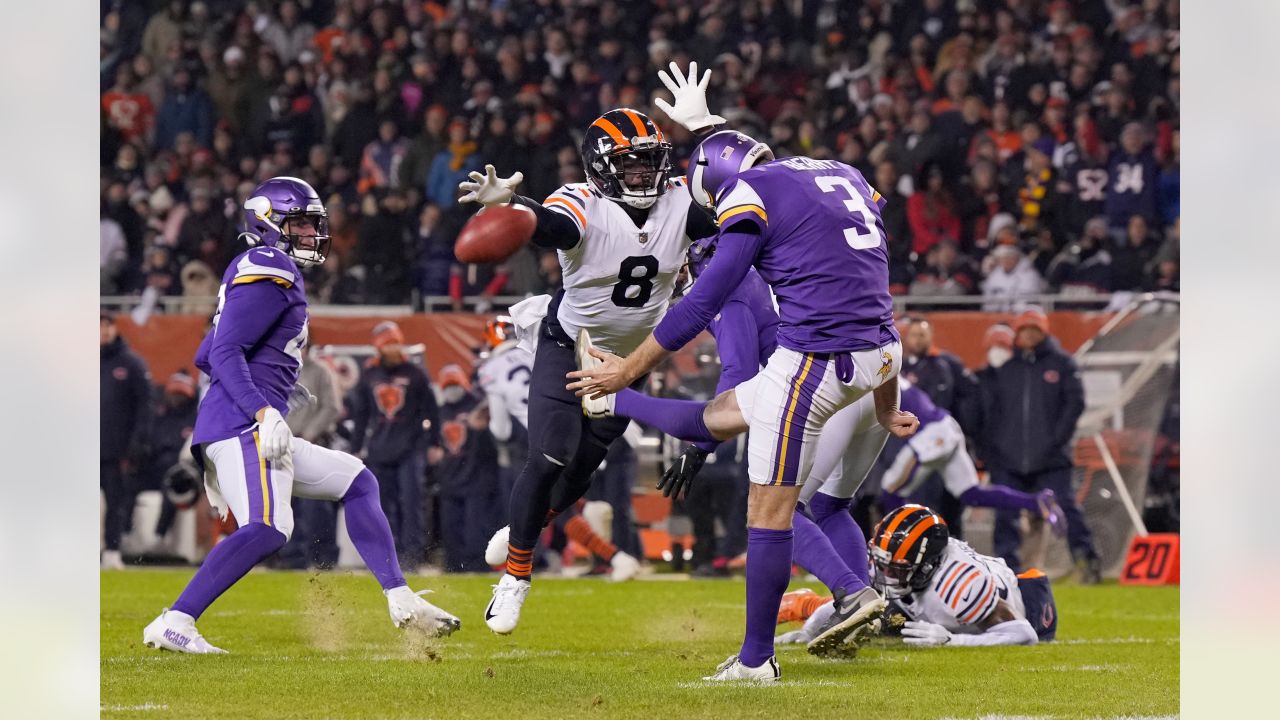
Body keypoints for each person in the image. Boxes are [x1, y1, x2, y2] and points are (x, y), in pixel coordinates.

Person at [566, 64, 918, 682]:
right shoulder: (838, 171)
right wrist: (887, 405)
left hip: (816, 361)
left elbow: (703, 300)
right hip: (884, 352)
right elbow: (764, 173)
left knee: (770, 509)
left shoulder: (742, 199)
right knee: (723, 417)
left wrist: (627, 370)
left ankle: (757, 659)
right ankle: (850, 595)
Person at [142, 177, 459, 654]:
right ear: (268, 223)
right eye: (301, 224)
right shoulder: (269, 265)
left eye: (313, 225)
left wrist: (279, 392)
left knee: (357, 480)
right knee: (270, 529)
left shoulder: (263, 267)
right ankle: (176, 621)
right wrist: (263, 408)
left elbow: (207, 352)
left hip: (244, 421)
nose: (312, 235)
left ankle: (400, 597)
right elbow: (224, 351)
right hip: (243, 425)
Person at [457, 99, 719, 634]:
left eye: (650, 160)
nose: (644, 172)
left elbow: (742, 206)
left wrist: (710, 132)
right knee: (553, 453)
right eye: (631, 163)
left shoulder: (679, 203)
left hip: (629, 360)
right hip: (569, 344)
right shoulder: (582, 203)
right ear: (601, 168)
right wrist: (517, 209)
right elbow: (551, 225)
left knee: (580, 473)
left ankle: (524, 527)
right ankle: (516, 577)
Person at [777, 504, 1058, 648]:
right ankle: (809, 604)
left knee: (887, 620)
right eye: (882, 563)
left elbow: (1023, 633)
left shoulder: (961, 583)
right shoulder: (896, 565)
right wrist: (810, 633)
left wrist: (953, 641)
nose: (884, 573)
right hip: (924, 603)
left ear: (928, 565)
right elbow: (858, 602)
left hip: (1027, 604)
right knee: (876, 619)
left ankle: (808, 603)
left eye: (896, 567)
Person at [980, 309, 1101, 583]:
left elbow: (1075, 404)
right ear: (1018, 334)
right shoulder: (1007, 369)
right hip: (1009, 460)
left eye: (1035, 329)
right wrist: (996, 448)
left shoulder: (1063, 364)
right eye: (1024, 329)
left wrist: (1056, 440)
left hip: (1051, 459)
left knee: (1066, 509)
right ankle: (1007, 569)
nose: (1030, 334)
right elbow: (992, 413)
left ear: (1044, 331)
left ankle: (1086, 560)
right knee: (1005, 516)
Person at [880, 379, 1065, 531]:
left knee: (890, 489)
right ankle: (1037, 502)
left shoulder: (875, 378)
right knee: (971, 494)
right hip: (945, 426)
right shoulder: (888, 374)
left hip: (930, 436)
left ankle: (896, 542)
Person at [348, 321, 441, 569]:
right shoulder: (369, 375)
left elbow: (432, 410)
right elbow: (361, 414)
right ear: (379, 347)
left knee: (412, 504)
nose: (394, 347)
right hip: (379, 449)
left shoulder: (415, 373)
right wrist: (356, 448)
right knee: (381, 506)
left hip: (411, 448)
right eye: (389, 343)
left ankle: (412, 556)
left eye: (396, 342)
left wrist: (434, 443)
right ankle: (387, 555)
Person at [101, 309, 153, 570]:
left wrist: (138, 441)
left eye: (107, 325)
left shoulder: (131, 363)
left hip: (116, 447)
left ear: (115, 328)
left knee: (115, 503)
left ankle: (112, 550)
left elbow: (145, 405)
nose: (103, 331)